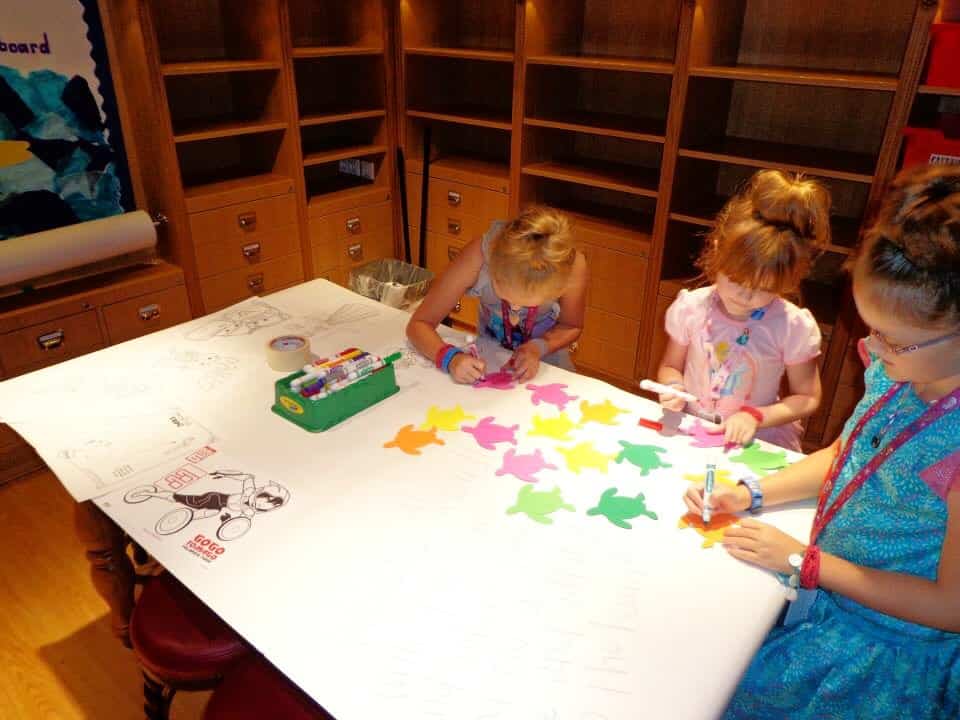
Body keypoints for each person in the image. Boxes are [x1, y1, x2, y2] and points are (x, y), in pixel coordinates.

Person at [685, 164, 960, 719]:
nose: (874, 351)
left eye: (894, 341)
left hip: (882, 649)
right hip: (828, 595)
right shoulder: (898, 371)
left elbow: (952, 606)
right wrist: (751, 493)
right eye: (870, 330)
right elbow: (850, 454)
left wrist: (807, 563)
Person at [656, 169, 829, 450]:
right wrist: (673, 388)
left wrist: (755, 416)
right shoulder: (691, 308)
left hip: (756, 438)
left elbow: (808, 397)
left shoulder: (791, 326)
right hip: (694, 429)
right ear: (717, 251)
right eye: (736, 280)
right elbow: (670, 366)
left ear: (789, 279)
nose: (746, 296)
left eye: (765, 288)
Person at [407, 205, 588, 383]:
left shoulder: (570, 266)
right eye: (507, 299)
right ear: (492, 268)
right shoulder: (477, 257)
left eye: (528, 305)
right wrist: (449, 358)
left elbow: (571, 325)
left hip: (547, 363)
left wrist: (537, 347)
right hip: (490, 358)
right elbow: (419, 324)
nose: (515, 311)